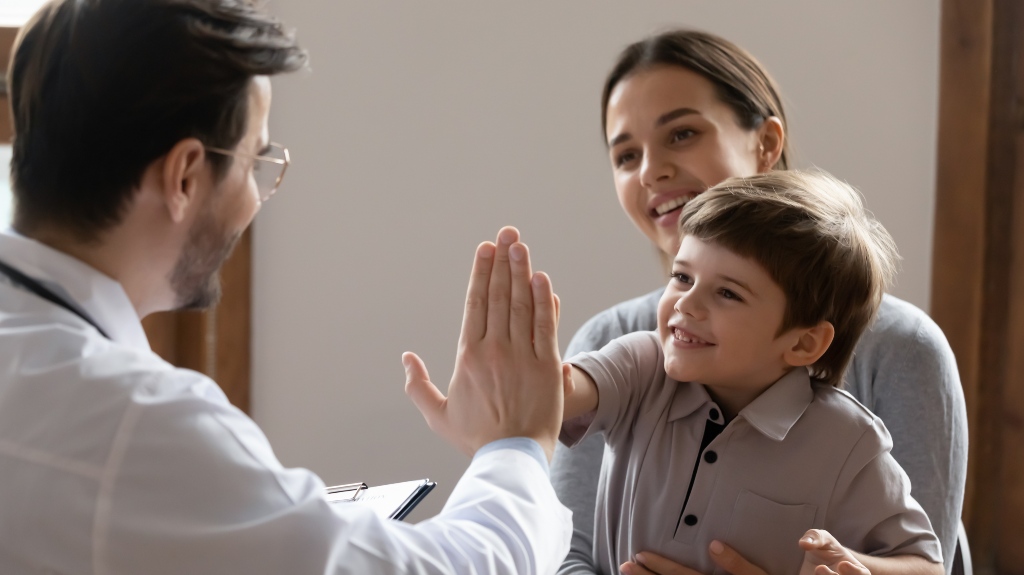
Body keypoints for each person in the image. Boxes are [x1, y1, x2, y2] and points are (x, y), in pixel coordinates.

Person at [0, 0, 571, 572]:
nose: (256, 197)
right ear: (185, 176)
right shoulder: (138, 428)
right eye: (254, 161)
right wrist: (514, 445)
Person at [551, 29, 968, 575]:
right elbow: (565, 550)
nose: (650, 170)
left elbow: (923, 562)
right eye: (626, 155)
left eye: (682, 133)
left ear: (767, 143)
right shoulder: (615, 347)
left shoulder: (901, 354)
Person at [559, 170, 942, 575]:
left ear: (803, 343)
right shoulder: (643, 366)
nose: (686, 304)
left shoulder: (848, 442)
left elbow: (928, 566)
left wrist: (848, 563)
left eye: (727, 293)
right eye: (682, 277)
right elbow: (558, 394)